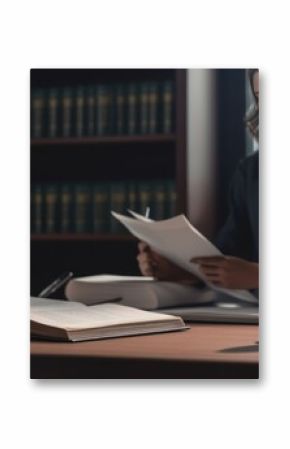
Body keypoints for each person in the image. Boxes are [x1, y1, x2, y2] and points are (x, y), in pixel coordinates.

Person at [137, 69, 259, 292]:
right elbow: (228, 256)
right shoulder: (252, 172)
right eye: (261, 97)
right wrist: (177, 270)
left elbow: (251, 273)